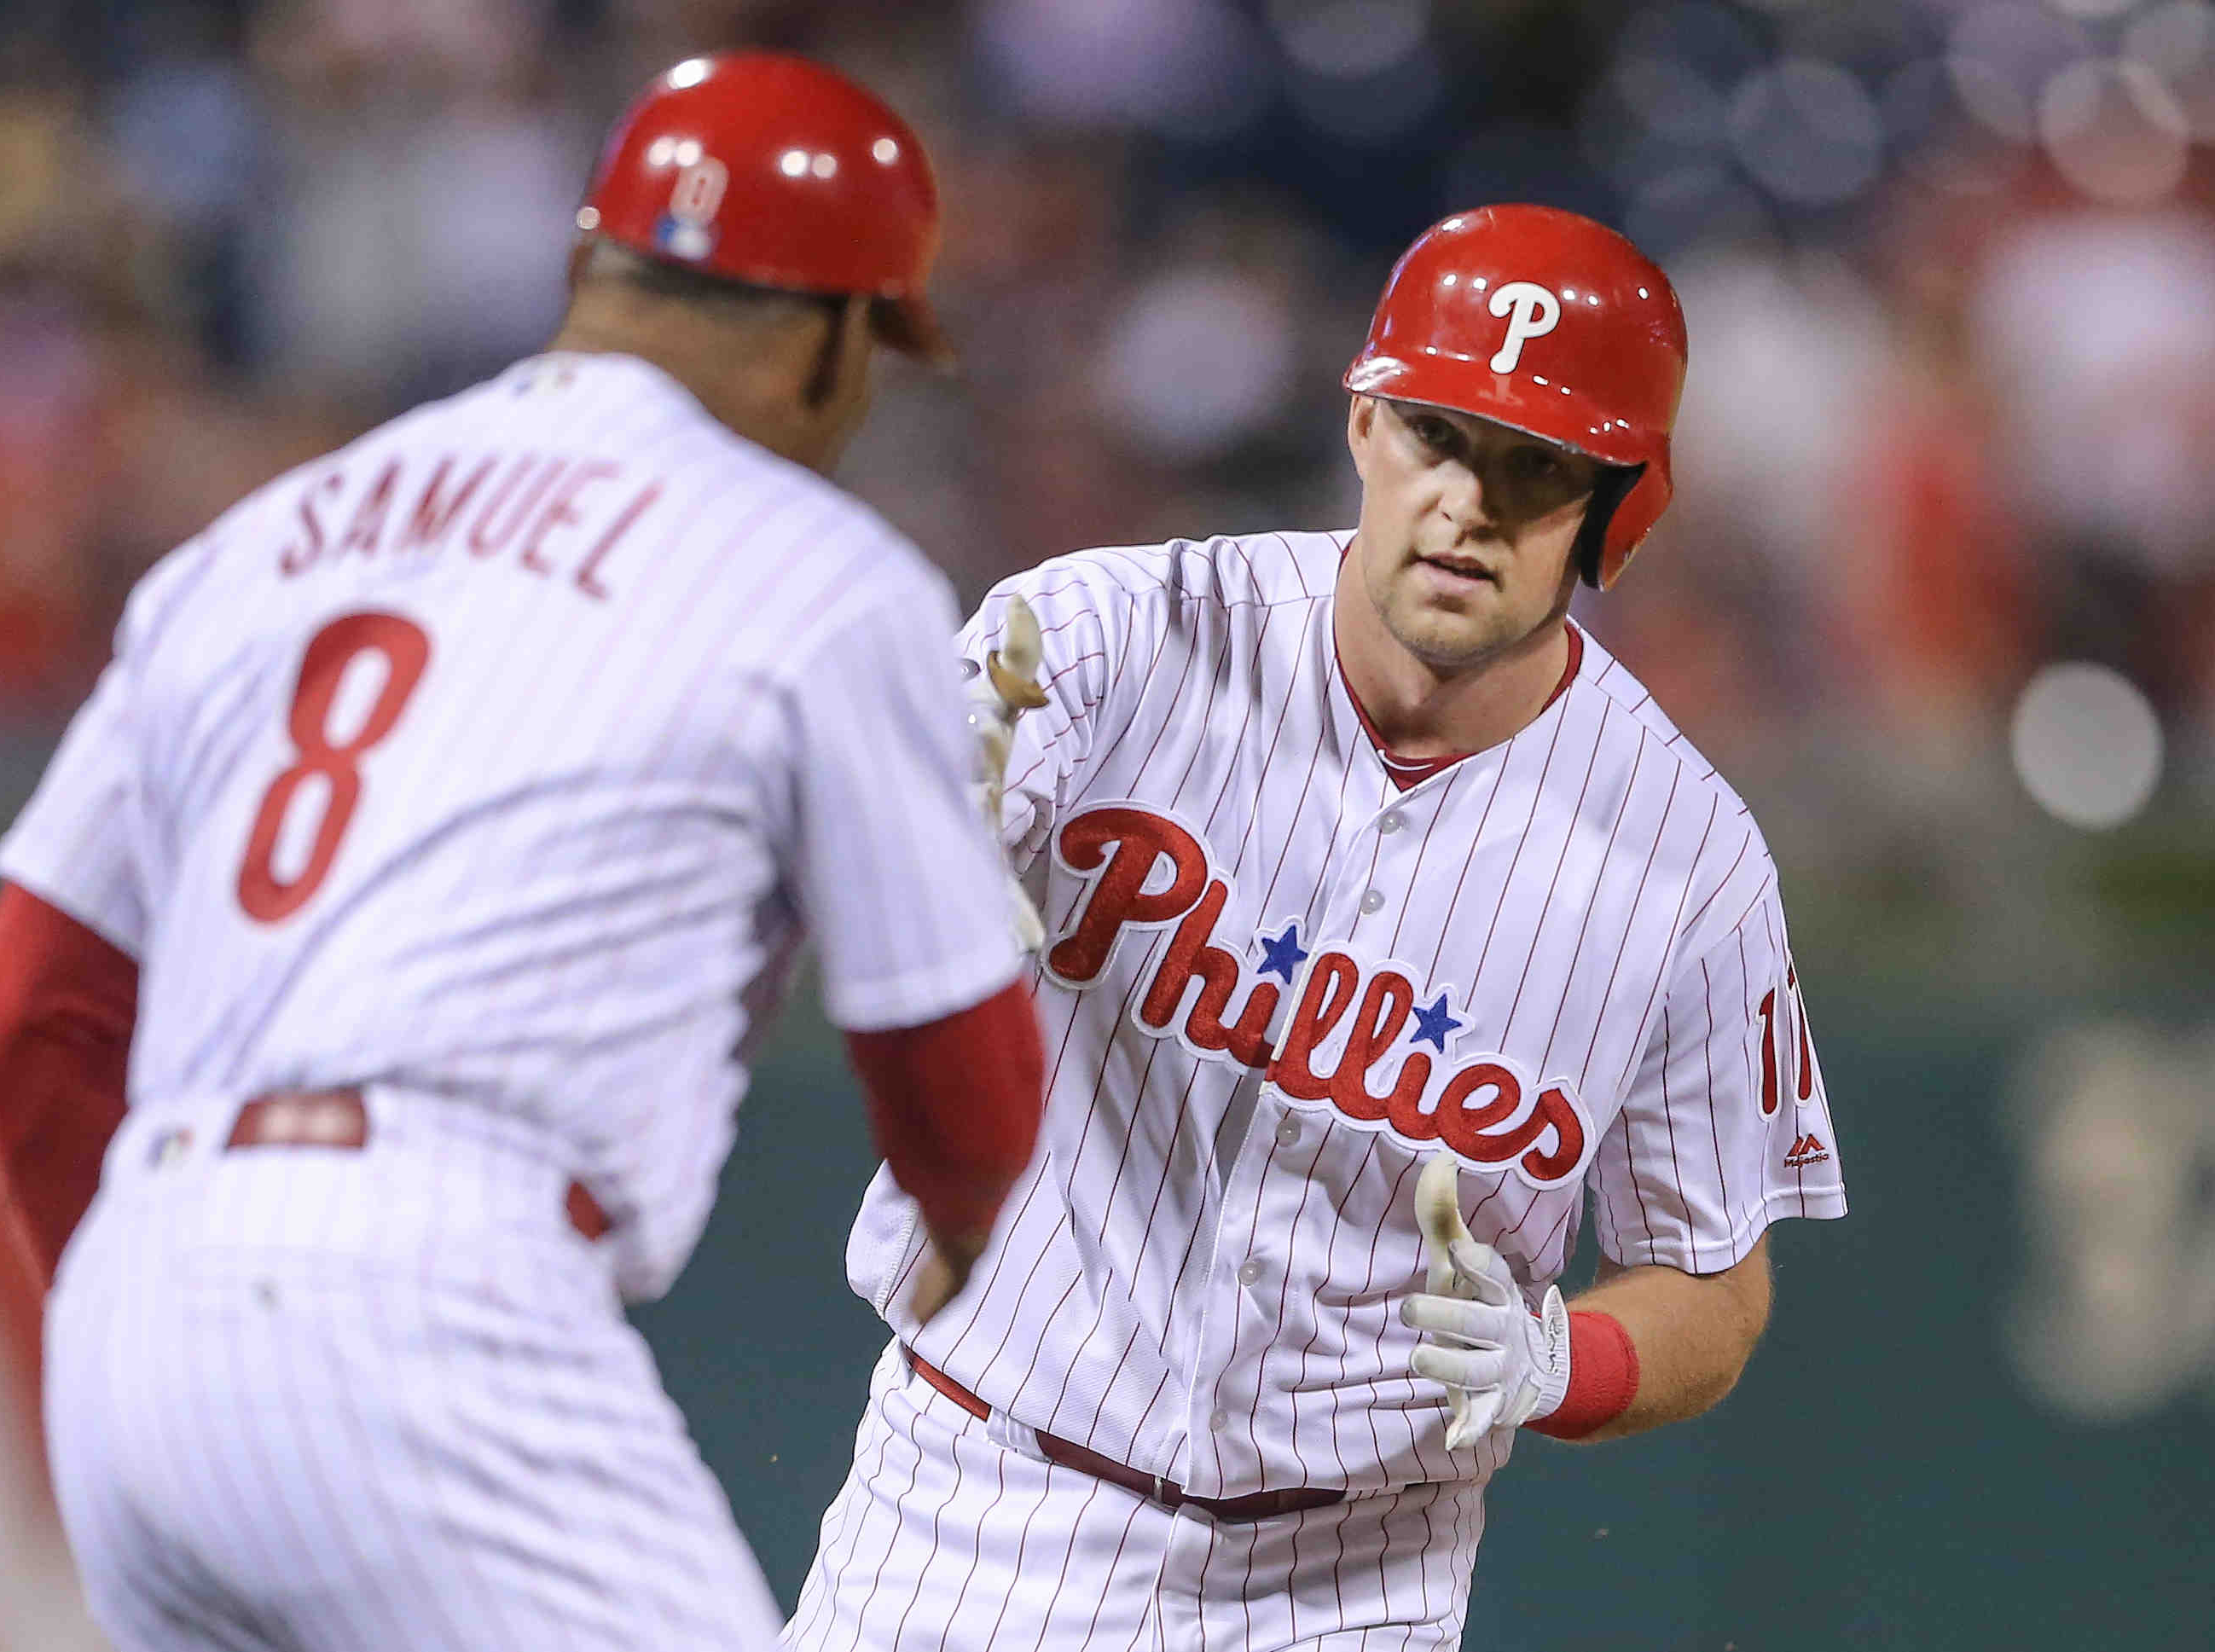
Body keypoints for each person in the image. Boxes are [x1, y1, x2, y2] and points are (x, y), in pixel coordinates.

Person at [0, 51, 1044, 1651]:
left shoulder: (250, 543)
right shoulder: (815, 569)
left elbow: (16, 1024)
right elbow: (957, 1069)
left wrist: (174, 1318)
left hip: (131, 1317)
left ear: (597, 266)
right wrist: (965, 1233)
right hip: (419, 1290)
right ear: (824, 335)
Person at [785, 205, 1848, 1650]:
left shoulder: (1690, 861)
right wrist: (900, 832)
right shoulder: (1108, 637)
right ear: (1362, 422)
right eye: (1437, 435)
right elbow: (851, 860)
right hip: (978, 1494)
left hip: (1348, 1585)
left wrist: (1561, 1360)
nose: (1466, 502)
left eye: (1533, 466)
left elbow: (1712, 1286)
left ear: (1617, 506)